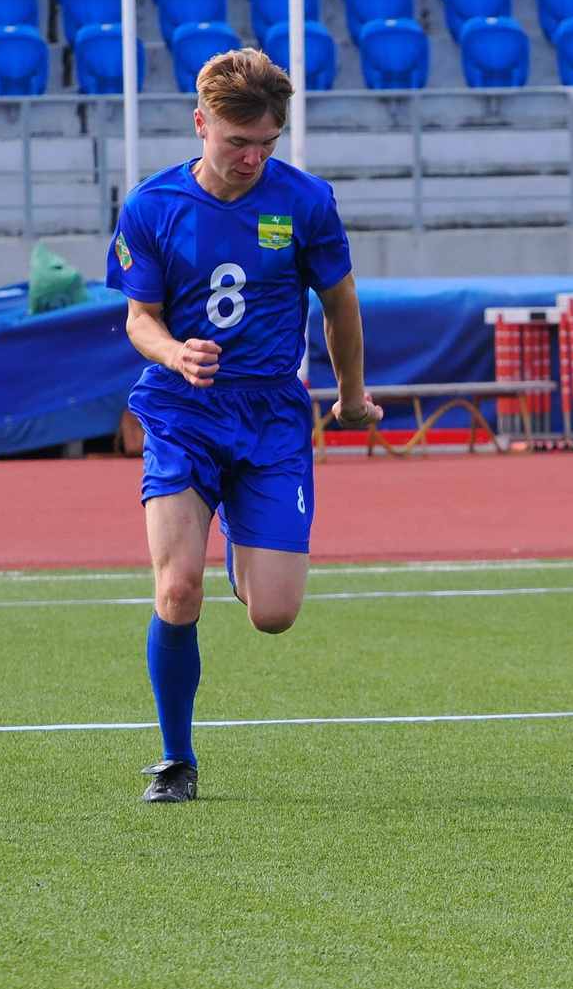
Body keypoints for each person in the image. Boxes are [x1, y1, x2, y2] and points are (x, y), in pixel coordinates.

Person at [107, 49, 381, 804]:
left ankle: (241, 546)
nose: (252, 157)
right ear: (201, 124)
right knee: (177, 588)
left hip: (270, 416)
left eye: (267, 141)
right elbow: (139, 317)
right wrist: (173, 351)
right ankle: (175, 760)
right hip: (182, 410)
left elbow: (341, 303)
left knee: (274, 614)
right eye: (236, 141)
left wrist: (352, 396)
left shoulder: (306, 202)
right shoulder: (153, 206)